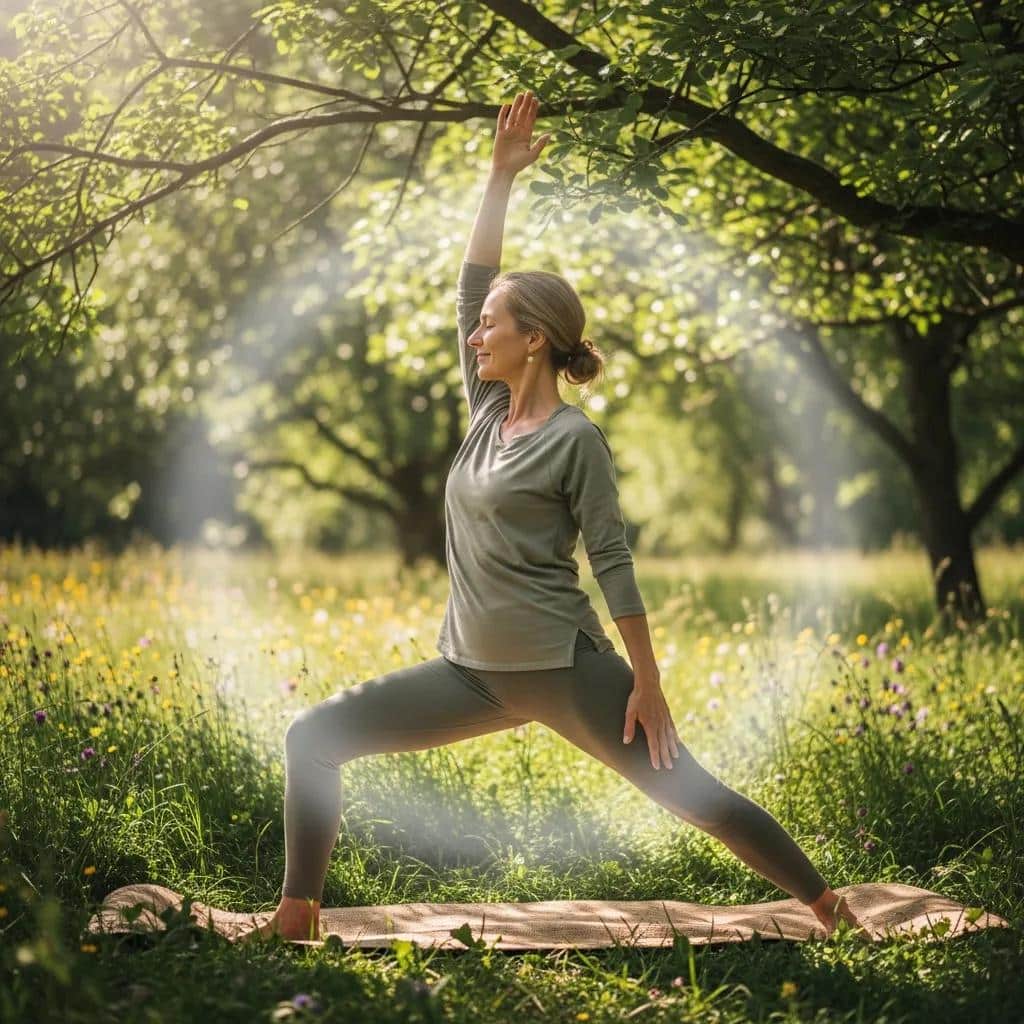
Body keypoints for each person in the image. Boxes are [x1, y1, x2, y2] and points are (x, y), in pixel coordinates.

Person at [255, 90, 867, 944]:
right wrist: (499, 177)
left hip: (562, 669)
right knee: (313, 737)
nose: (475, 337)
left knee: (695, 796)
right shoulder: (485, 412)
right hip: (469, 668)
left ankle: (833, 909)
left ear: (533, 339)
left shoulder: (577, 441)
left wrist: (647, 682)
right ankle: (296, 917)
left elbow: (612, 559)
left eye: (491, 328)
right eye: (477, 329)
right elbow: (470, 285)